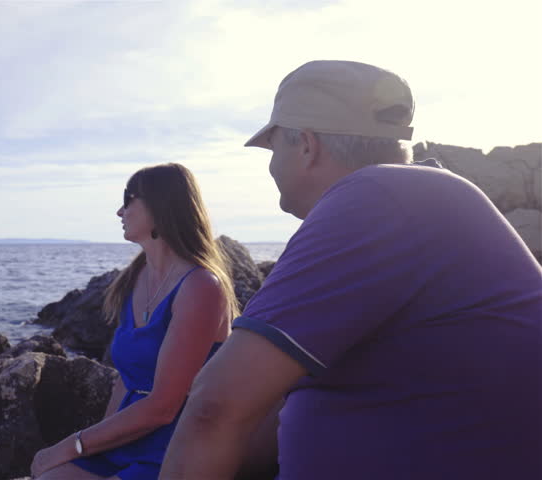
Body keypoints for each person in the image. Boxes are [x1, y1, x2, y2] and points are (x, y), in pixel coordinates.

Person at [161, 60, 542, 479]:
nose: (271, 168)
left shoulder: (376, 199)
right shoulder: (422, 198)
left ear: (306, 145)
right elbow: (265, 414)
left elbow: (214, 409)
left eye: (274, 150)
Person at [30, 163, 240, 480]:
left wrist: (71, 446)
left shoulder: (201, 287)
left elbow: (163, 407)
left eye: (128, 200)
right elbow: (124, 381)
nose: (119, 211)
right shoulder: (134, 278)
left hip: (176, 449)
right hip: (129, 440)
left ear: (160, 205)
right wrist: (96, 446)